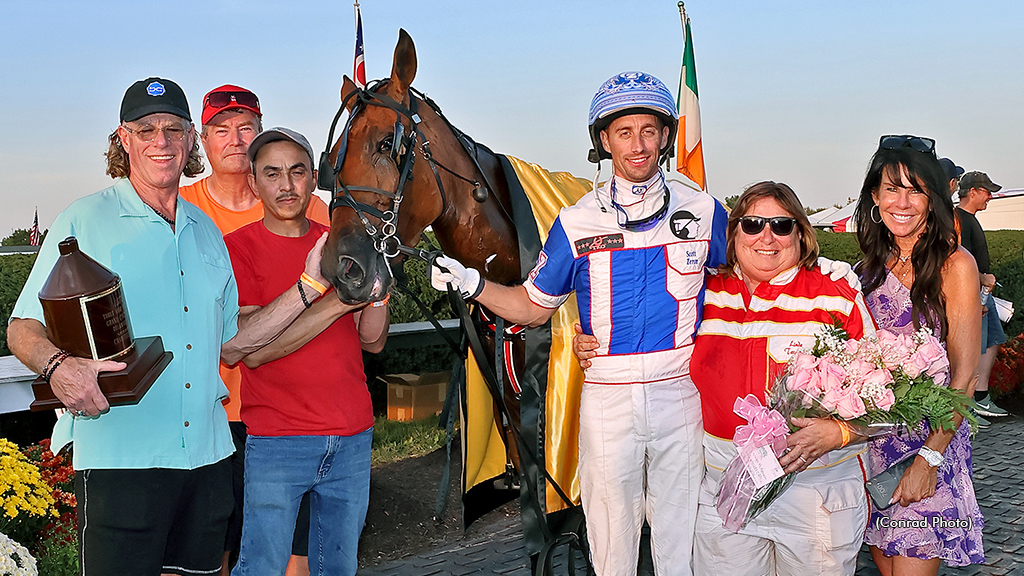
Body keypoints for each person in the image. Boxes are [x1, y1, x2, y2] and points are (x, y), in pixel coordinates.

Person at [5, 78, 326, 576]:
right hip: (121, 459)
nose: (162, 141)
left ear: (190, 140)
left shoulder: (206, 232)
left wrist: (310, 286)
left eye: (174, 129)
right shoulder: (84, 220)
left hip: (207, 457)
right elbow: (22, 326)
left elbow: (233, 342)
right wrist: (59, 366)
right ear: (123, 139)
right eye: (147, 129)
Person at [431, 71, 728, 576]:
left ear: (665, 135)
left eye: (649, 130)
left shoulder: (704, 210)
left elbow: (748, 281)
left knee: (683, 536)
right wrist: (474, 285)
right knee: (611, 538)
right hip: (608, 397)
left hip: (680, 391)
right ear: (604, 141)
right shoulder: (577, 220)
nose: (638, 145)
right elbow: (532, 306)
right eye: (624, 132)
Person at [576, 182, 876, 575]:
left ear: (801, 234)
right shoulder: (703, 291)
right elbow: (643, 320)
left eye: (781, 226)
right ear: (732, 235)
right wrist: (591, 339)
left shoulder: (836, 293)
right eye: (751, 224)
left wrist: (839, 432)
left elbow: (887, 397)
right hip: (723, 491)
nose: (766, 237)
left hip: (813, 491)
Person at [179, 84, 330, 575]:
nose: (235, 139)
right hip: (211, 412)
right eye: (221, 129)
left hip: (293, 414)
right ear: (202, 140)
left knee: (294, 554)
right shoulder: (179, 208)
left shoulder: (314, 211)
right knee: (212, 551)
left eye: (246, 127)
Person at [225, 127, 387, 576]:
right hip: (279, 439)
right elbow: (253, 350)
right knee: (260, 566)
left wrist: (380, 289)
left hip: (353, 434)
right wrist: (336, 300)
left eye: (297, 172)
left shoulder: (339, 240)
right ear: (253, 181)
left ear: (313, 178)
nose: (286, 185)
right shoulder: (236, 249)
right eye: (272, 173)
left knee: (338, 568)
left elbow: (372, 339)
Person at [854, 135, 984, 574]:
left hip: (930, 443)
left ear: (933, 197)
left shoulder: (955, 264)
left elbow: (964, 379)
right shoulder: (866, 268)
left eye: (916, 189)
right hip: (872, 448)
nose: (903, 201)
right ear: (875, 196)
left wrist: (930, 457)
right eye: (892, 188)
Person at [955, 170, 1009, 422]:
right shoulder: (959, 220)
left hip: (982, 293)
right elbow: (957, 260)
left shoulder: (969, 218)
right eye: (986, 191)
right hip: (975, 294)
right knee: (974, 347)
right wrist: (978, 286)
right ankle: (967, 407)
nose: (990, 196)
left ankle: (981, 397)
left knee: (993, 339)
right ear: (972, 192)